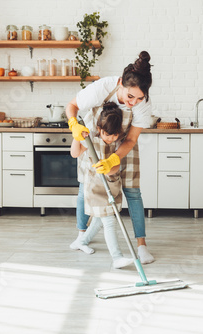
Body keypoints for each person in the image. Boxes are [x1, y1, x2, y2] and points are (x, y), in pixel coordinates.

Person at [67, 51, 155, 264]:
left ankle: (141, 246)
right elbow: (72, 106)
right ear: (121, 84)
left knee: (133, 193)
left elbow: (131, 139)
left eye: (140, 98)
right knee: (85, 188)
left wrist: (114, 159)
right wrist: (74, 126)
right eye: (130, 96)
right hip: (94, 142)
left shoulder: (143, 105)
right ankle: (82, 236)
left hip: (124, 145)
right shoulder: (105, 87)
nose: (133, 102)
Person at [70, 102, 133, 269]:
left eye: (113, 135)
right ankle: (117, 257)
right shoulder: (90, 138)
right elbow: (75, 153)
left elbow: (117, 166)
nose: (109, 138)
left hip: (111, 184)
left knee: (99, 219)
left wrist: (111, 165)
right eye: (105, 134)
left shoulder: (119, 142)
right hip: (95, 187)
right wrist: (77, 136)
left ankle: (81, 242)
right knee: (109, 220)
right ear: (99, 128)